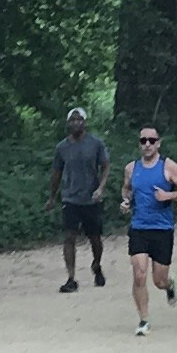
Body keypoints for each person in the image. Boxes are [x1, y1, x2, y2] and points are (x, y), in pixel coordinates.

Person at [123, 123, 177, 334]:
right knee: (139, 275)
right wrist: (125, 202)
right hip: (139, 227)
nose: (148, 144)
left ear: (158, 143)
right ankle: (144, 320)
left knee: (158, 279)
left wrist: (168, 195)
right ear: (139, 144)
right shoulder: (131, 168)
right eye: (143, 141)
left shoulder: (168, 167)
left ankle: (169, 286)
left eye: (152, 140)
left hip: (162, 229)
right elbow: (127, 190)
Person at [47, 107, 113, 293]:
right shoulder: (62, 148)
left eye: (79, 119)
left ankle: (97, 264)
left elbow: (105, 166)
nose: (76, 123)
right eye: (73, 120)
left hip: (91, 198)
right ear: (68, 123)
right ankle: (71, 278)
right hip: (70, 198)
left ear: (85, 122)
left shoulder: (96, 144)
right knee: (69, 237)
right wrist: (52, 197)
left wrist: (101, 188)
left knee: (95, 238)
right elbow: (56, 173)